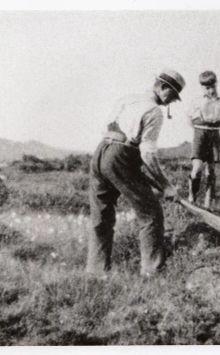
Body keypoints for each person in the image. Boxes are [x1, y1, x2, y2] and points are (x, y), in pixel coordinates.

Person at [86, 69, 185, 277]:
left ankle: (95, 272)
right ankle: (152, 272)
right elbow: (148, 155)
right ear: (162, 87)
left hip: (100, 152)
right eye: (173, 95)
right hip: (121, 155)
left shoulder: (127, 99)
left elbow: (107, 128)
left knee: (101, 216)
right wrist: (166, 185)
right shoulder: (154, 112)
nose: (172, 101)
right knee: (151, 214)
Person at [187, 71, 220, 208]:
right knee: (197, 167)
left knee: (211, 170)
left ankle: (208, 202)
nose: (210, 90)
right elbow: (189, 119)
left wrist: (214, 130)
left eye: (212, 86)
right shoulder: (197, 101)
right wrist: (200, 130)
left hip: (214, 134)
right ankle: (192, 197)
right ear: (202, 87)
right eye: (206, 87)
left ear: (216, 84)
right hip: (200, 133)